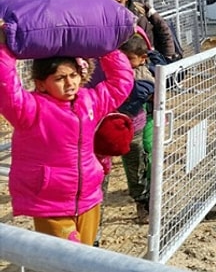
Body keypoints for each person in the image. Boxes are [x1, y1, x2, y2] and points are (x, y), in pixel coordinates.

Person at [0, 21, 133, 245]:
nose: (69, 83)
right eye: (60, 79)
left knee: (85, 257)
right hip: (49, 201)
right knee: (66, 260)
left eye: (73, 75)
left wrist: (107, 47)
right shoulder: (30, 109)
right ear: (41, 84)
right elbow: (6, 87)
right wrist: (3, 49)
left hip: (89, 196)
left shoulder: (90, 100)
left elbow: (121, 83)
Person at [116, 33, 156, 224]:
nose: (124, 63)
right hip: (110, 125)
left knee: (136, 163)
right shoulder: (118, 70)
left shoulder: (143, 76)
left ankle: (142, 201)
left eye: (129, 59)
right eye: (121, 58)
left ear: (142, 59)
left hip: (132, 126)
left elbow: (136, 95)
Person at [102, 0, 178, 62]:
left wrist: (168, 55)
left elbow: (162, 27)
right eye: (111, 3)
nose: (115, 7)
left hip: (150, 57)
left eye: (119, 2)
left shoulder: (141, 7)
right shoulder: (105, 18)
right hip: (126, 61)